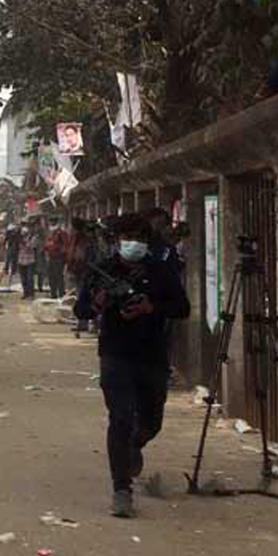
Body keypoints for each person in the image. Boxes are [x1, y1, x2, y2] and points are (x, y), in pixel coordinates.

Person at [73, 214, 190, 519]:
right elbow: (81, 310)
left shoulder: (160, 270)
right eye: (127, 238)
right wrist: (98, 303)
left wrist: (152, 307)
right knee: (120, 417)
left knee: (152, 421)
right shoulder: (102, 271)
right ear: (116, 240)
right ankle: (121, 490)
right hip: (115, 353)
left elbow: (182, 308)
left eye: (139, 238)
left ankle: (134, 444)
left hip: (152, 354)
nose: (132, 243)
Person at [44, 219, 69, 299]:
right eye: (50, 222)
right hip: (50, 257)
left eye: (52, 222)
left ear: (56, 222)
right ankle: (53, 294)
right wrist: (47, 247)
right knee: (51, 276)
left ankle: (61, 293)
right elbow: (46, 244)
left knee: (59, 276)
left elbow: (65, 245)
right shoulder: (49, 232)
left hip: (58, 258)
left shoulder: (61, 233)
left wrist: (58, 248)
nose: (51, 223)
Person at [18, 222, 40, 299]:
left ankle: (31, 294)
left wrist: (25, 242)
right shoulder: (19, 238)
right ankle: (25, 293)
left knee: (30, 278)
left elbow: (31, 246)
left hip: (30, 260)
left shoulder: (33, 237)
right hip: (21, 260)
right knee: (23, 279)